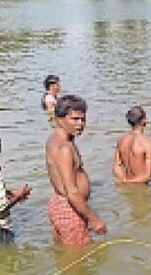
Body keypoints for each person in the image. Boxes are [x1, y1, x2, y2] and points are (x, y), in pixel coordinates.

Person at [46, 95, 107, 245]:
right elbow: (72, 192)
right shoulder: (63, 147)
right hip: (69, 208)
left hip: (61, 204)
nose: (80, 124)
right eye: (75, 119)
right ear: (59, 119)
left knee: (65, 255)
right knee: (76, 262)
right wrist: (94, 219)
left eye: (83, 119)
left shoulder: (57, 140)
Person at [113, 106, 151, 184]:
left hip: (126, 186)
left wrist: (124, 181)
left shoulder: (121, 140)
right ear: (143, 120)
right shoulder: (148, 143)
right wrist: (130, 182)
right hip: (141, 187)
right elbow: (148, 176)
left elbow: (116, 167)